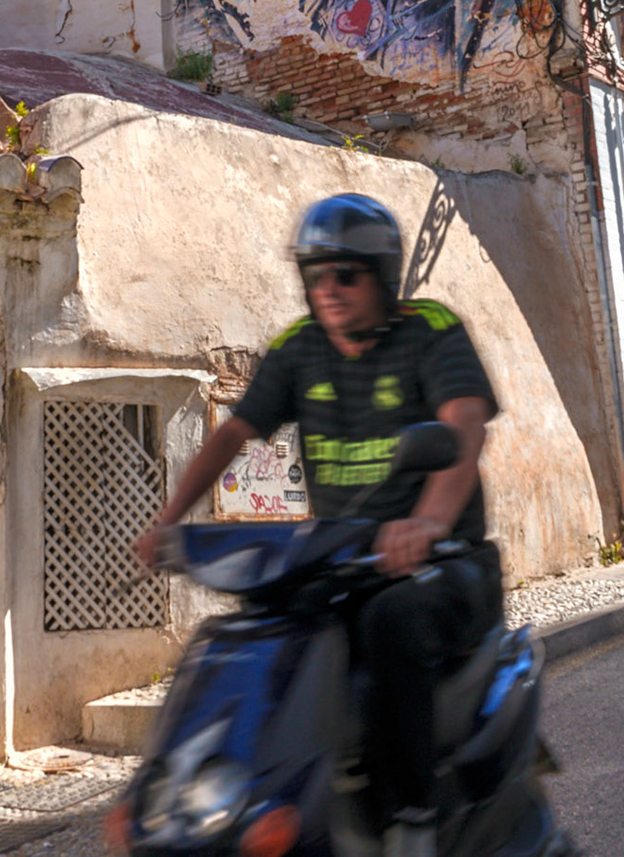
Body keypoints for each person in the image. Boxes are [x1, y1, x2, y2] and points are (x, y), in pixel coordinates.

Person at [134, 194, 502, 857]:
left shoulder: (430, 328)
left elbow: (462, 427)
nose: (327, 289)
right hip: (340, 559)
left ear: (383, 277)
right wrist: (168, 521)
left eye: (346, 274)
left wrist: (425, 522)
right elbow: (237, 432)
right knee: (252, 631)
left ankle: (412, 816)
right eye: (314, 274)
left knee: (392, 622)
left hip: (446, 560)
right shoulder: (297, 348)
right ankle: (246, 800)